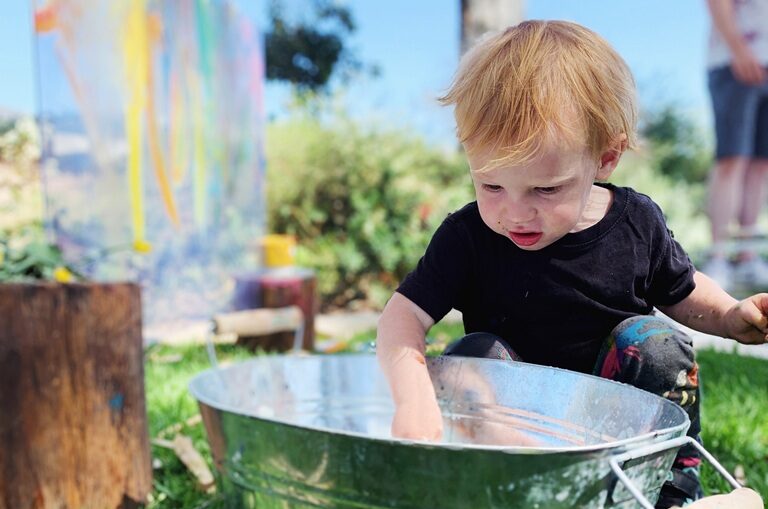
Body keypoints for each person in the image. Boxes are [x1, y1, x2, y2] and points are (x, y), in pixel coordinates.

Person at [375, 20, 768, 509]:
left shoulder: (635, 223)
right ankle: (517, 491)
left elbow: (683, 292)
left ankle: (669, 494)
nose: (515, 212)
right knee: (473, 355)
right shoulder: (467, 236)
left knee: (657, 346)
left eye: (546, 189)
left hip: (618, 424)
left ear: (605, 158)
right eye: (491, 186)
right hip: (516, 433)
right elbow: (402, 316)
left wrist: (731, 316)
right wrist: (413, 396)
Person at [701, 0, 768, 290]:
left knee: (761, 164)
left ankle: (747, 256)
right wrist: (740, 49)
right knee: (732, 160)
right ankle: (718, 256)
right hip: (734, 62)